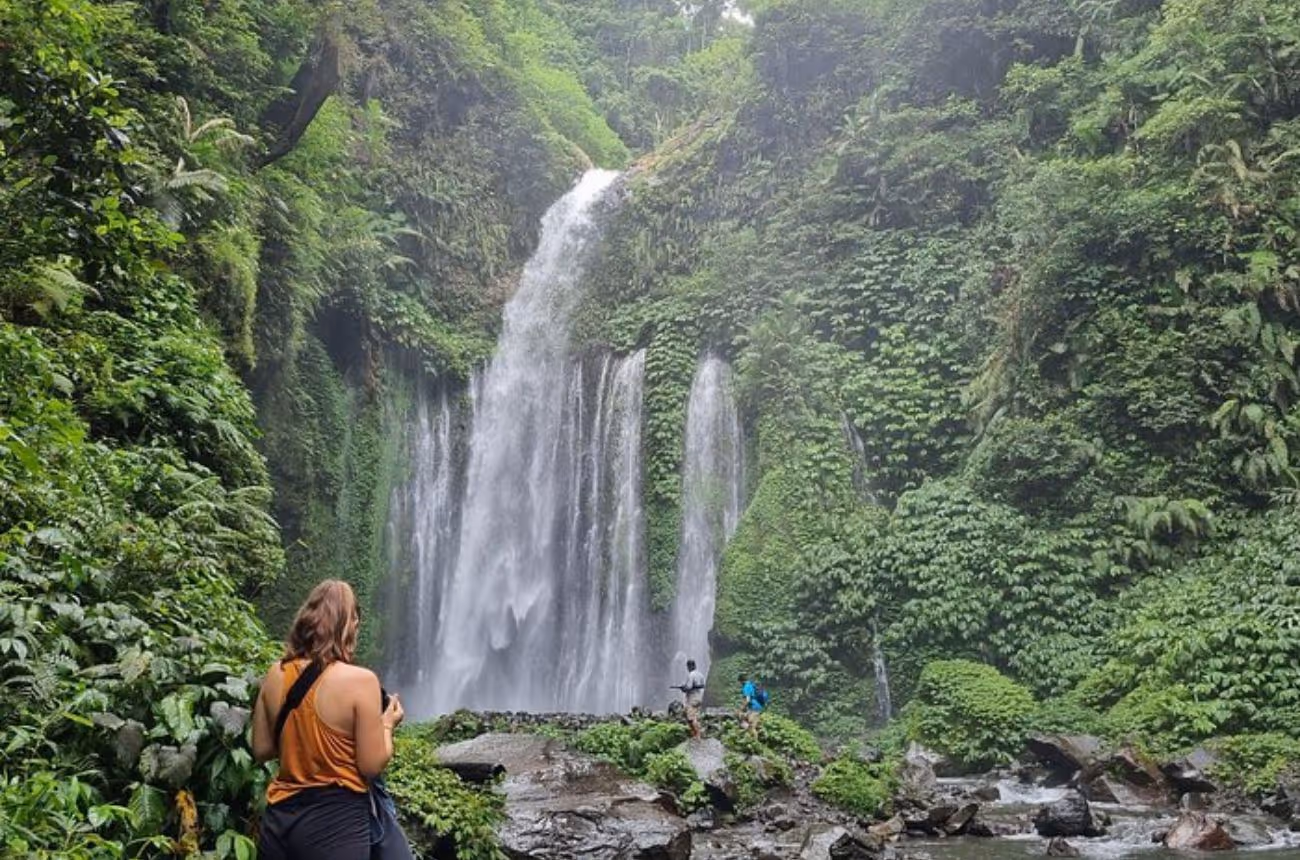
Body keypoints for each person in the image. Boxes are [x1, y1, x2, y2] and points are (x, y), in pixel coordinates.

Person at [251, 580, 410, 860]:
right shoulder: (361, 680)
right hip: (336, 824)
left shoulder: (275, 673)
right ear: (349, 626)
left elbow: (262, 749)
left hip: (279, 820)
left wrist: (303, 740)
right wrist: (387, 724)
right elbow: (371, 766)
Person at [679, 659, 707, 739]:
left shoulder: (691, 675)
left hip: (692, 698)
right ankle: (694, 733)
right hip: (699, 697)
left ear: (689, 666)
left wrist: (683, 688)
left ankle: (698, 735)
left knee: (692, 718)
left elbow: (689, 687)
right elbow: (702, 685)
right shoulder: (700, 675)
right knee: (690, 715)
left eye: (688, 666)